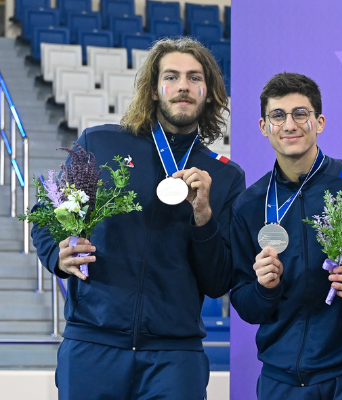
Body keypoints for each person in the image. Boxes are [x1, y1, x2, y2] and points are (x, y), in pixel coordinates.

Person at [30, 37, 245, 399]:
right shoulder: (101, 143)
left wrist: (203, 216)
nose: (183, 86)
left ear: (209, 92)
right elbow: (46, 214)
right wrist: (57, 253)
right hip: (93, 344)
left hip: (175, 357)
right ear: (154, 89)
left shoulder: (224, 177)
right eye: (172, 76)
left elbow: (218, 280)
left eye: (195, 78)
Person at [229, 72, 342, 400]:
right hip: (283, 379)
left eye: (300, 114)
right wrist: (265, 289)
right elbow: (245, 304)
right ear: (264, 127)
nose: (289, 125)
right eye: (277, 116)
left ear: (319, 122)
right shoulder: (249, 204)